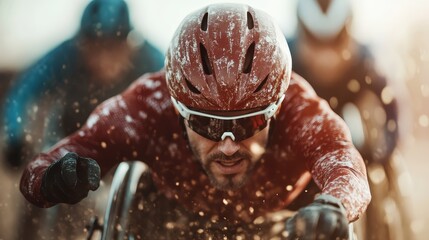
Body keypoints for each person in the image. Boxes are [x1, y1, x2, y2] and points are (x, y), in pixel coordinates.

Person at [20, 3, 371, 239]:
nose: (230, 145)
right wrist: (54, 178)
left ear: (276, 108)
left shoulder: (299, 106)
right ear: (177, 109)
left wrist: (334, 204)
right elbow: (41, 168)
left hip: (288, 217)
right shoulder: (147, 105)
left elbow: (344, 165)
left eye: (248, 125)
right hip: (173, 217)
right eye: (209, 126)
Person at [287, 0, 413, 239]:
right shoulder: (286, 58)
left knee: (383, 169)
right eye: (315, 44)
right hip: (302, 134)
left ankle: (387, 229)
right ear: (301, 35)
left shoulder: (367, 60)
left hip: (351, 130)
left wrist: (383, 155)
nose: (326, 58)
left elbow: (394, 111)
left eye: (336, 44)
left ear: (350, 36)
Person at [2, 0, 164, 168]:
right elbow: (22, 92)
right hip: (68, 144)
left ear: (129, 46)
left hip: (128, 151)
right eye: (95, 48)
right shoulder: (66, 56)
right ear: (82, 45)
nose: (103, 61)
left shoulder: (150, 60)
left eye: (112, 49)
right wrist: (15, 137)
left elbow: (174, 94)